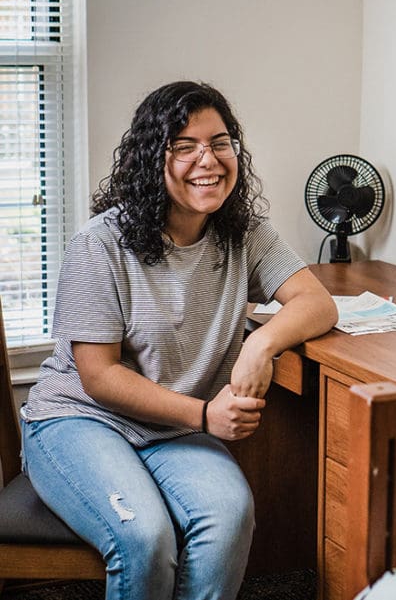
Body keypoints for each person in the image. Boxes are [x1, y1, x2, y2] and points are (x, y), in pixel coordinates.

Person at [21, 80, 337, 600]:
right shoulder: (99, 243)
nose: (207, 160)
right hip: (79, 420)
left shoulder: (247, 233)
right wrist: (206, 417)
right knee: (144, 536)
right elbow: (99, 377)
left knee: (229, 518)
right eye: (183, 147)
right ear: (152, 159)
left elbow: (316, 302)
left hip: (174, 426)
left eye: (219, 142)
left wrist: (260, 345)